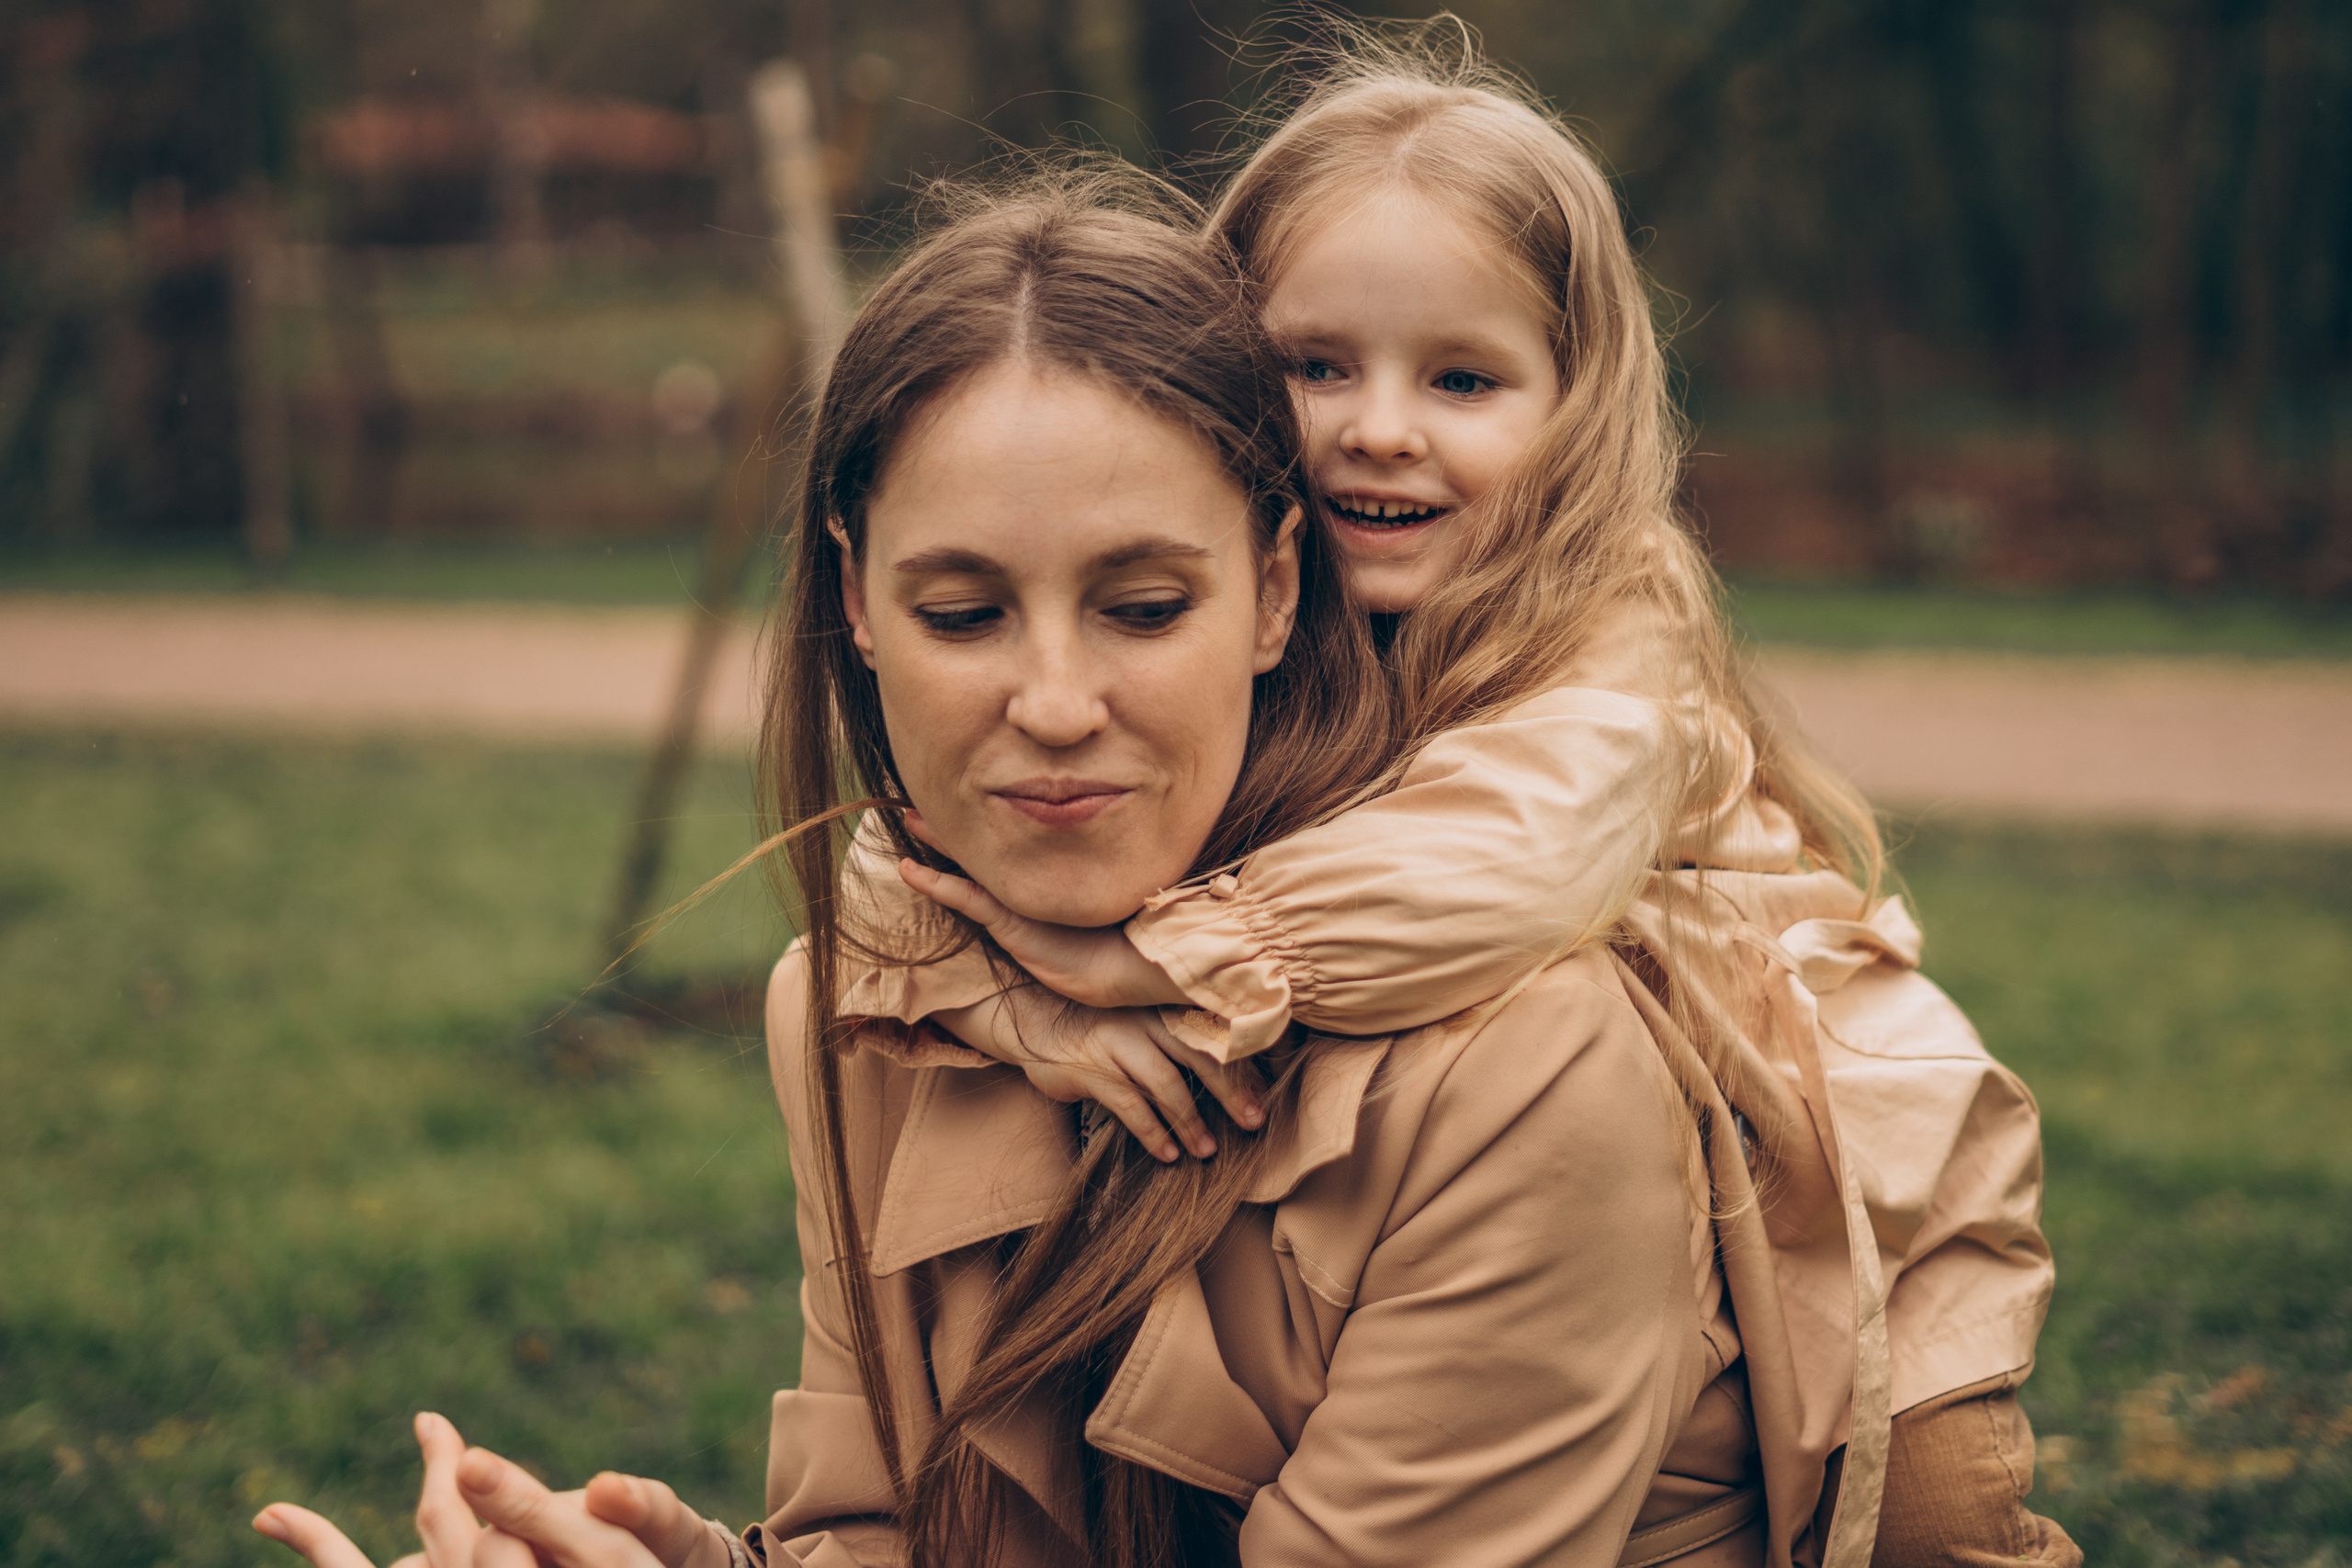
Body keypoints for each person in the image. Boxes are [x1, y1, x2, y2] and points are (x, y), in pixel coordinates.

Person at [254, 175, 1770, 1568]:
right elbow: (890, 1535)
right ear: (854, 601)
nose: (1052, 706)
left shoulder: (1525, 1073)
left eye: (1143, 605)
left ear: (1274, 587)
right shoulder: (859, 1014)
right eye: (965, 616)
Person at [845, 28, 2075, 1568]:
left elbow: (1493, 874)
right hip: (1554, 1186)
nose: (1379, 425)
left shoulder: (1614, 635)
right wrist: (1028, 1012)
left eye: (1463, 378)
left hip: (1834, 1149)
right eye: (1314, 365)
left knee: (1928, 1512)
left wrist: (1152, 963)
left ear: (1577, 407)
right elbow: (915, 860)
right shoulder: (1240, 620)